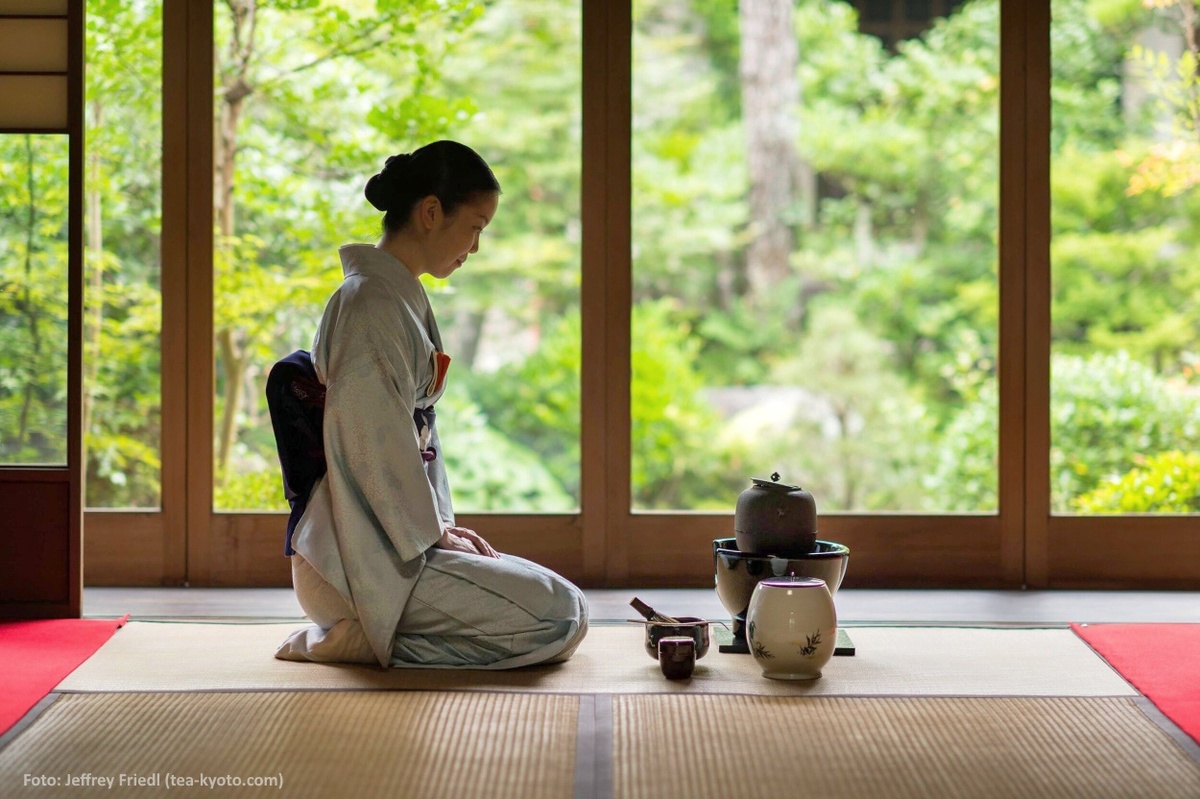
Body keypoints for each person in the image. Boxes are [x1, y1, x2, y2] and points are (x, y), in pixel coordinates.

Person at [273, 140, 588, 669]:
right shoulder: (369, 303)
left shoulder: (393, 296)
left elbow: (405, 442)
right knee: (556, 616)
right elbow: (374, 445)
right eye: (475, 226)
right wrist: (434, 533)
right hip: (351, 560)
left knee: (567, 604)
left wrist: (439, 528)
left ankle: (374, 637)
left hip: (393, 541)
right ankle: (361, 636)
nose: (475, 246)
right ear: (430, 212)